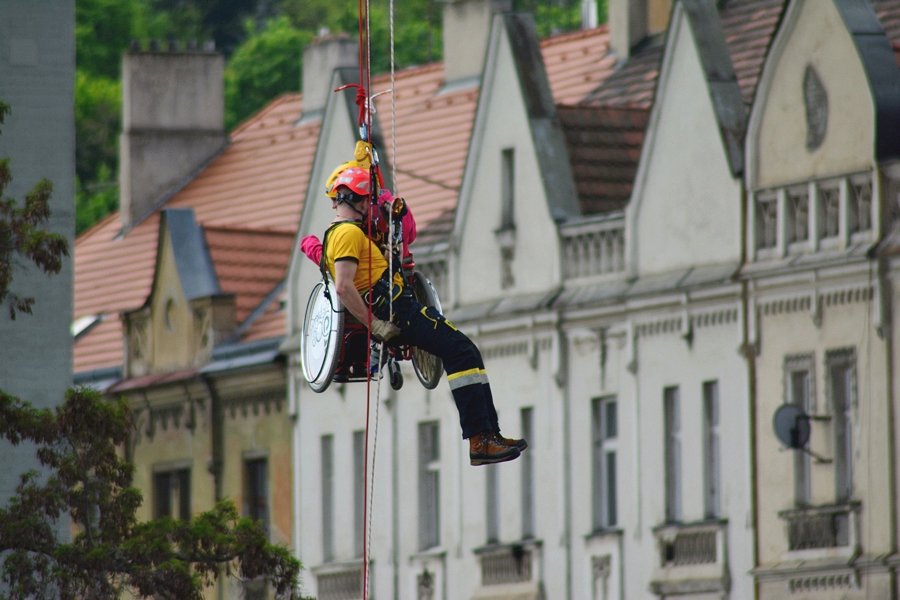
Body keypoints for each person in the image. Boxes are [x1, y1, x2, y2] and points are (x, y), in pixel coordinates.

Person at [316, 165, 527, 466]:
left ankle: (488, 435)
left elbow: (361, 277)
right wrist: (374, 324)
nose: (368, 206)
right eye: (364, 199)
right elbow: (343, 286)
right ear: (347, 197)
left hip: (400, 305)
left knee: (465, 352)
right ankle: (481, 440)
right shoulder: (347, 233)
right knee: (461, 351)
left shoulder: (344, 235)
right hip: (398, 309)